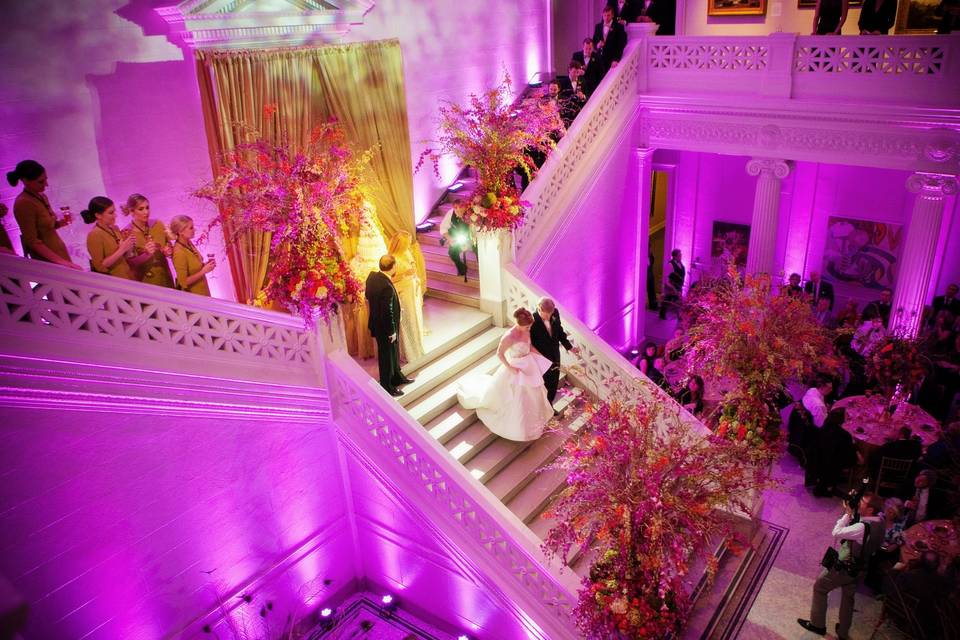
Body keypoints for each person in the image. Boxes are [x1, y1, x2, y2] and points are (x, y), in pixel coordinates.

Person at [457, 308, 554, 442]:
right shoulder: (509, 336)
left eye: (530, 326)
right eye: (527, 326)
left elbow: (529, 346)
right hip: (515, 368)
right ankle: (520, 429)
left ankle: (533, 422)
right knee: (518, 396)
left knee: (534, 392)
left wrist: (540, 356)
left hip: (528, 366)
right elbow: (499, 354)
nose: (529, 328)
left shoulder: (527, 330)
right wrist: (510, 368)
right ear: (518, 323)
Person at [797, 492, 885, 639]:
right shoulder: (881, 519)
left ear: (870, 510)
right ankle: (843, 632)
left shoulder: (862, 528)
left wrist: (847, 514)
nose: (858, 503)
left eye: (862, 502)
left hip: (847, 567)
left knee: (820, 587)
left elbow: (836, 532)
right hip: (862, 567)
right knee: (848, 598)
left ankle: (817, 625)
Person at [7, 160, 79, 270]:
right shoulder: (23, 203)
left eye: (46, 179)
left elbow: (46, 227)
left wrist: (62, 222)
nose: (46, 184)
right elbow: (32, 241)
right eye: (40, 181)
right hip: (49, 259)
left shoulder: (41, 196)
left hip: (58, 251)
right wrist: (61, 262)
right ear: (26, 181)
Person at [365, 254, 412, 397]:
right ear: (392, 267)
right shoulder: (386, 287)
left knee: (393, 352)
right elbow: (387, 311)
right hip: (386, 327)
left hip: (379, 323)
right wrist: (391, 331)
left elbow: (368, 296)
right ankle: (387, 386)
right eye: (395, 265)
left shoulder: (372, 277)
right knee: (386, 356)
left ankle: (397, 376)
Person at [530, 296, 579, 411]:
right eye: (546, 314)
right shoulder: (531, 320)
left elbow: (559, 332)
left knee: (553, 383)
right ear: (539, 309)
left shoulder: (555, 313)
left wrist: (569, 347)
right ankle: (539, 408)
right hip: (540, 358)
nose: (549, 316)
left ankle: (549, 407)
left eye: (551, 313)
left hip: (555, 355)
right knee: (542, 384)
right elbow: (529, 342)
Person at [387, 231, 425, 364]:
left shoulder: (407, 253)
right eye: (407, 243)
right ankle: (407, 351)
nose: (409, 245)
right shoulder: (392, 259)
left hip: (411, 290)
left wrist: (415, 276)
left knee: (414, 318)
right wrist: (404, 274)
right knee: (406, 320)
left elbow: (412, 266)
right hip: (401, 292)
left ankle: (417, 347)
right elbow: (388, 279)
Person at [122, 194, 174, 288]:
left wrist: (168, 252)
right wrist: (146, 254)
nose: (146, 212)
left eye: (147, 207)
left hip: (166, 278)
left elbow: (169, 246)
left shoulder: (158, 224)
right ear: (132, 211)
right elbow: (130, 264)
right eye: (141, 209)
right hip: (147, 283)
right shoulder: (127, 233)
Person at [82, 196, 136, 280]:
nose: (115, 215)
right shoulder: (94, 235)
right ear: (98, 215)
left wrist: (129, 245)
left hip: (128, 277)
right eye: (111, 213)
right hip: (113, 283)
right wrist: (122, 249)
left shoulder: (115, 228)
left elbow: (123, 257)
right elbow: (100, 267)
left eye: (114, 211)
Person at [169, 215, 215, 296]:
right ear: (180, 232)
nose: (194, 230)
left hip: (203, 292)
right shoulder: (179, 252)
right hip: (194, 297)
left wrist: (205, 266)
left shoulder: (188, 243)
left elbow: (194, 267)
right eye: (191, 228)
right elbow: (183, 282)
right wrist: (203, 271)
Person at [593, 5, 627, 71]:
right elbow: (594, 41)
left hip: (612, 60)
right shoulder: (598, 26)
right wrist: (597, 45)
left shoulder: (618, 27)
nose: (606, 17)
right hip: (599, 60)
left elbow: (621, 45)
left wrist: (616, 59)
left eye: (608, 15)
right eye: (604, 15)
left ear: (612, 15)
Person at [659, 248, 685, 320]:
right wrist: (671, 287)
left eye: (681, 255)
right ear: (675, 256)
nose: (681, 256)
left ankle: (679, 316)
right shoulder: (670, 265)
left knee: (677, 301)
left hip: (678, 286)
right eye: (679, 255)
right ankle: (662, 315)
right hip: (671, 286)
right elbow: (666, 277)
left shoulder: (680, 263)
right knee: (667, 301)